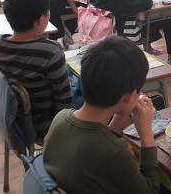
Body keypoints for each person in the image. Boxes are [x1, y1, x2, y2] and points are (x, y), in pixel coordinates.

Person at [43, 36, 160, 194]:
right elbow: (151, 191)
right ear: (129, 96)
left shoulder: (61, 118)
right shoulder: (115, 152)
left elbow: (93, 154)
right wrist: (146, 135)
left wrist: (115, 125)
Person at [0, 0, 72, 139]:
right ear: (42, 19)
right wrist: (63, 130)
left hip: (15, 119)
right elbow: (64, 99)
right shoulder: (50, 51)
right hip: (45, 125)